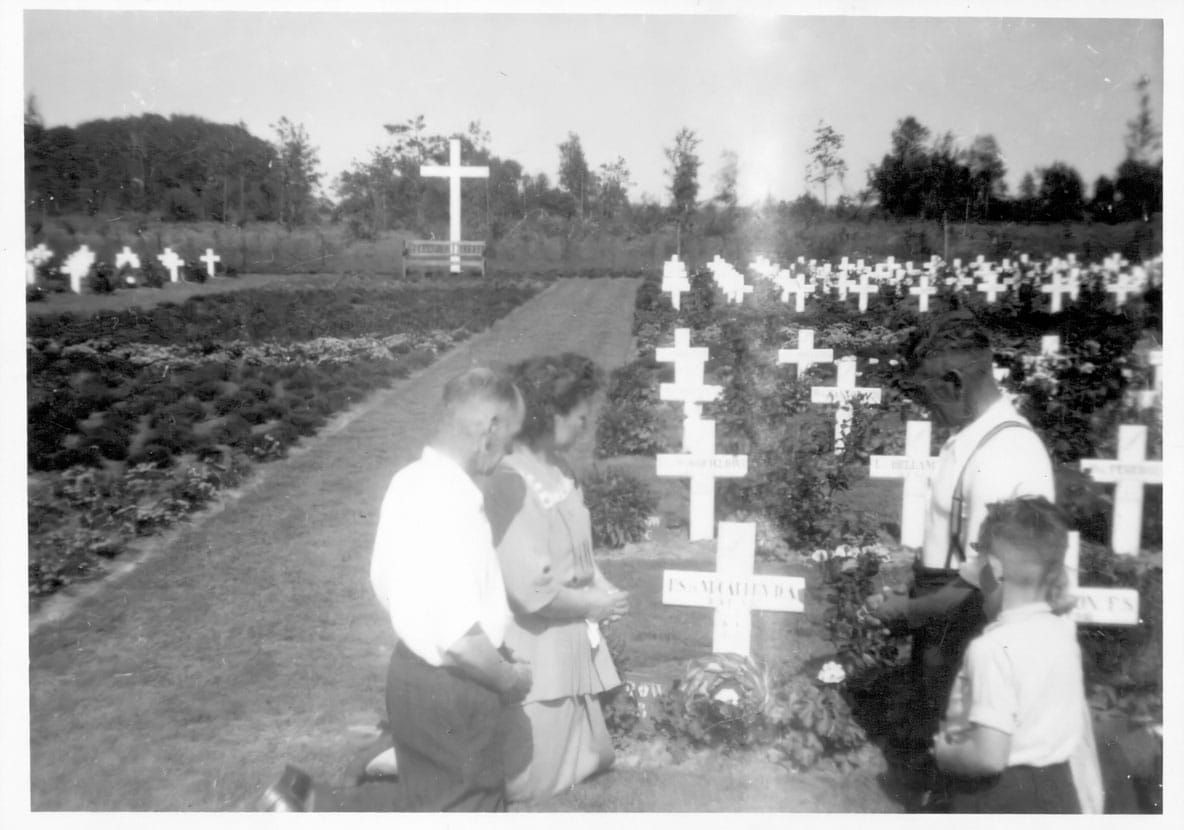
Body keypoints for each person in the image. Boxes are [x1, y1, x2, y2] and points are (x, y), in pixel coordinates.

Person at [866, 310, 1057, 807]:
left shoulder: (1006, 453)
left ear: (953, 380)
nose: (923, 405)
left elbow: (983, 582)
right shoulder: (972, 436)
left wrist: (906, 613)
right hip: (946, 614)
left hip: (970, 623)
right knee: (936, 742)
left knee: (962, 760)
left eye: (925, 391)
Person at [369, 367, 532, 811]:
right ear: (489, 430)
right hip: (456, 692)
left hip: (410, 676)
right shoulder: (453, 501)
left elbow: (385, 584)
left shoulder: (408, 480)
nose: (509, 452)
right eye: (510, 437)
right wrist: (510, 678)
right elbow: (461, 641)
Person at [482, 353, 629, 804]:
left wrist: (601, 586)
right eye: (580, 414)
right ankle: (396, 755)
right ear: (551, 413)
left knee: (592, 758)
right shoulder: (511, 481)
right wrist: (594, 607)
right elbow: (532, 593)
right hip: (536, 650)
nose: (586, 424)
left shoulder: (561, 470)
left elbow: (579, 550)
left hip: (570, 642)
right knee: (529, 786)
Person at [933, 496, 1088, 813]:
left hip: (1000, 796)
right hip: (1059, 788)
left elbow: (989, 756)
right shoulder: (1061, 634)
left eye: (982, 570)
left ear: (994, 572)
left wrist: (945, 752)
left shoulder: (992, 650)